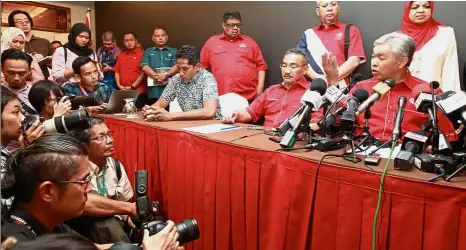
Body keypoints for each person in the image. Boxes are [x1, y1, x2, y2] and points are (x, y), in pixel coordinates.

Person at [1, 134, 183, 250]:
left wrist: (147, 245)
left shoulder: (51, 222)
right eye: (83, 182)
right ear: (48, 191)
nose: (89, 189)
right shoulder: (17, 243)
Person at [324, 32, 457, 141]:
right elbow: (334, 121)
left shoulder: (428, 92)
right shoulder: (362, 89)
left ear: (402, 62)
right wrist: (333, 82)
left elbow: (448, 139)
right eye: (373, 57)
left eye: (381, 58)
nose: (374, 63)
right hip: (361, 158)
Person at [68, 117, 135, 244]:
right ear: (84, 146)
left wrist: (135, 228)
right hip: (84, 228)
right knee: (105, 222)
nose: (110, 141)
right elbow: (84, 205)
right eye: (100, 137)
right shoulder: (76, 170)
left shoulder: (116, 166)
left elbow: (122, 207)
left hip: (115, 227)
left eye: (109, 134)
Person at [223, 48, 323, 127]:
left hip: (292, 143)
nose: (287, 71)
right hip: (265, 140)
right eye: (284, 66)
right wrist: (235, 115)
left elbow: (316, 124)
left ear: (305, 69)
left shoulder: (313, 93)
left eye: (293, 66)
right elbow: (249, 113)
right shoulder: (271, 90)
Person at [200, 11, 267, 102]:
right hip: (221, 97)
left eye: (238, 25)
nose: (235, 28)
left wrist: (260, 88)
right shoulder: (212, 42)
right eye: (232, 25)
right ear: (224, 26)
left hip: (248, 97)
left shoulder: (249, 42)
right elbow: (201, 68)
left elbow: (261, 66)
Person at [142, 45, 222, 121]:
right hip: (188, 124)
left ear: (197, 67)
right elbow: (160, 103)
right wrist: (151, 110)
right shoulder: (176, 79)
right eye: (178, 68)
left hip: (211, 126)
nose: (181, 73)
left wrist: (171, 115)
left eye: (185, 69)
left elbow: (209, 112)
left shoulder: (207, 78)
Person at [297, 1, 365, 87]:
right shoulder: (308, 34)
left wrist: (332, 79)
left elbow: (354, 61)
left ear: (338, 8)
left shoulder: (351, 30)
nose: (329, 8)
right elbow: (300, 62)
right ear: (317, 11)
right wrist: (320, 80)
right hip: (314, 87)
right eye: (325, 6)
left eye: (333, 4)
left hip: (341, 88)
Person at [398, 1, 460, 91]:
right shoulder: (396, 39)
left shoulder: (445, 34)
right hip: (404, 97)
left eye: (426, 6)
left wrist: (448, 100)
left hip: (434, 97)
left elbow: (451, 69)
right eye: (415, 7)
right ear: (407, 10)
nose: (421, 10)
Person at [8, 10, 52, 78]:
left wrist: (50, 62)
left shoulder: (45, 42)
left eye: (27, 21)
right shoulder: (10, 43)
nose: (24, 24)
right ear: (12, 25)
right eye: (20, 21)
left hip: (43, 83)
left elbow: (54, 67)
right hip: (19, 82)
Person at [141, 27, 178, 105]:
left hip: (171, 89)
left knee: (170, 114)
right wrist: (157, 77)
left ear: (167, 37)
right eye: (157, 36)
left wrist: (165, 75)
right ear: (153, 38)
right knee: (154, 112)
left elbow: (178, 66)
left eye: (162, 35)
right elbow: (144, 67)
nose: (160, 38)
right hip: (154, 91)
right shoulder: (148, 51)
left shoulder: (174, 51)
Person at [1, 49, 36, 115]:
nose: (16, 78)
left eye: (22, 73)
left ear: (29, 71)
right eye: (11, 73)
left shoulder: (37, 93)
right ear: (2, 69)